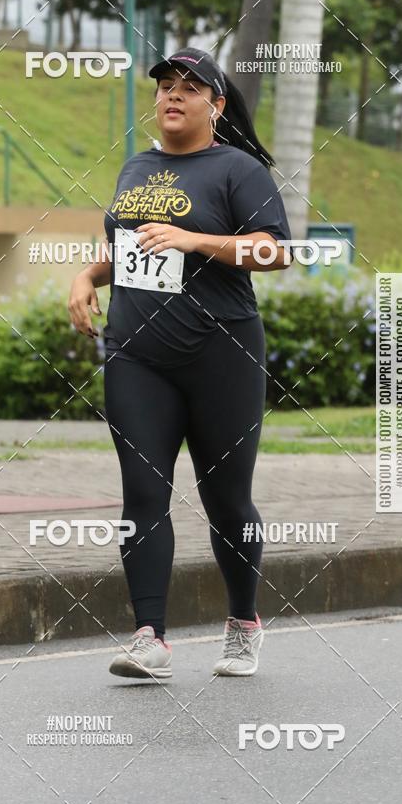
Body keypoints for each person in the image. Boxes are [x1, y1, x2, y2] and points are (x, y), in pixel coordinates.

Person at [68, 47, 292, 680]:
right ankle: (149, 638)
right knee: (142, 491)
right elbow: (134, 252)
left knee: (226, 500)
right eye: (165, 84)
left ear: (216, 106)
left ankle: (243, 623)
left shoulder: (237, 170)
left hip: (223, 351)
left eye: (189, 87)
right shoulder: (136, 168)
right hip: (138, 354)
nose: (172, 94)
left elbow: (277, 253)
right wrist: (89, 273)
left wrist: (195, 239)